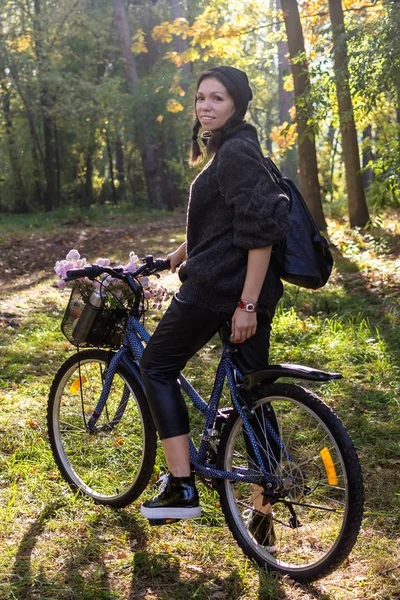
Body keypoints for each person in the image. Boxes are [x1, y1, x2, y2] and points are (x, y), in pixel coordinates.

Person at [139, 66, 290, 527]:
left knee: (156, 366)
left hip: (220, 289)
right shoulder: (233, 149)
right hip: (241, 288)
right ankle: (265, 508)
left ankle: (181, 484)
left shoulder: (237, 152)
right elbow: (223, 220)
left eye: (218, 98)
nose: (206, 106)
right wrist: (175, 255)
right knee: (253, 393)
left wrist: (245, 304)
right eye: (201, 97)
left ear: (237, 106)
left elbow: (259, 232)